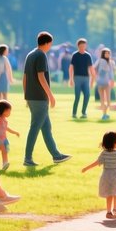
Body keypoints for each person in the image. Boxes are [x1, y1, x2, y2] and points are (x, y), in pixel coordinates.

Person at [22, 31, 70, 166]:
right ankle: (27, 158)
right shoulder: (41, 55)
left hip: (32, 97)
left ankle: (56, 155)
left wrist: (26, 95)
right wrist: (51, 95)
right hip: (39, 97)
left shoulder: (30, 55)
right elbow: (41, 77)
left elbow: (24, 78)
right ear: (48, 43)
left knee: (46, 126)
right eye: (51, 44)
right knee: (35, 127)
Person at [81, 130, 116, 219]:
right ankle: (115, 209)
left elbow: (96, 163)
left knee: (109, 194)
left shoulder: (104, 153)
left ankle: (108, 212)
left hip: (106, 176)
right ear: (115, 142)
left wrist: (86, 168)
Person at [69, 38, 96, 119]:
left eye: (84, 45)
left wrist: (92, 80)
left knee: (87, 95)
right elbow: (71, 68)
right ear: (78, 46)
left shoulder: (88, 56)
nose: (83, 47)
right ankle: (74, 113)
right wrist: (71, 79)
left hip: (86, 78)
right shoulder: (75, 55)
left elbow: (91, 68)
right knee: (77, 96)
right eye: (81, 45)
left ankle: (84, 112)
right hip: (77, 78)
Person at [0, 99, 20, 171]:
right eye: (9, 111)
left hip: (2, 138)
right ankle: (3, 163)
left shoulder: (4, 120)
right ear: (3, 111)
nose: (10, 113)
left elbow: (6, 128)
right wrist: (1, 136)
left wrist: (15, 132)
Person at [93, 48, 116, 120]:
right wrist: (96, 76)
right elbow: (94, 69)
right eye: (106, 53)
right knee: (103, 99)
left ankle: (105, 114)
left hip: (106, 82)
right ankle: (104, 114)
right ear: (103, 54)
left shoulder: (110, 62)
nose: (107, 54)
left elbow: (111, 73)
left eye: (108, 53)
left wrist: (112, 80)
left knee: (107, 99)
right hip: (101, 82)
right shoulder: (102, 61)